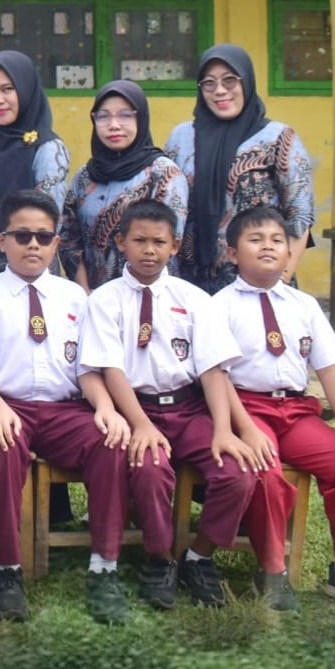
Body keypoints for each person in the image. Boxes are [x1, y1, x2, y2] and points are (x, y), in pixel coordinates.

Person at [83, 199, 259, 610]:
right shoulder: (104, 300)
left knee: (237, 472)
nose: (149, 250)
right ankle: (159, 558)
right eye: (139, 241)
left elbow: (213, 369)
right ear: (121, 242)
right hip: (136, 408)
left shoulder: (194, 299)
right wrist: (141, 424)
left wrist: (223, 429)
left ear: (175, 246)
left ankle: (199, 557)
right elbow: (111, 369)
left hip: (188, 409)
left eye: (159, 242)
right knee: (148, 469)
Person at [216, 205, 335, 611]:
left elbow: (330, 368)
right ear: (232, 253)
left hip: (295, 411)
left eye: (277, 241)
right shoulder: (219, 306)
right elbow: (218, 375)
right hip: (246, 408)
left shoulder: (304, 305)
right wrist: (246, 428)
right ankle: (272, 572)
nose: (268, 247)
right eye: (256, 240)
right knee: (265, 471)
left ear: (289, 252)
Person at [0, 190, 130, 625]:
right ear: (1, 240)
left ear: (57, 242)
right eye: (22, 236)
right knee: (1, 448)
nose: (33, 245)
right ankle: (6, 569)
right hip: (9, 406)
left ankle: (105, 568)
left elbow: (87, 367)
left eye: (43, 236)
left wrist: (104, 407)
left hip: (64, 410)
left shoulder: (75, 298)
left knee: (110, 442)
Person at [164, 44, 315, 294]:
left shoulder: (278, 138)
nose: (219, 90)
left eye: (230, 80)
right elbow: (166, 208)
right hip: (189, 283)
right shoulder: (181, 138)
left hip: (259, 282)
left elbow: (299, 217)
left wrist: (280, 281)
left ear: (246, 81)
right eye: (209, 83)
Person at [60, 80, 186, 292]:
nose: (114, 125)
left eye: (125, 115)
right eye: (103, 116)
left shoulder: (163, 174)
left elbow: (169, 245)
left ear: (141, 118)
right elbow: (69, 240)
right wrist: (86, 293)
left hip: (148, 295)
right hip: (93, 296)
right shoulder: (85, 176)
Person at [0, 50, 70, 280]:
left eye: (7, 89)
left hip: (30, 271)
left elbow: (48, 222)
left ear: (26, 89)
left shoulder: (47, 148)